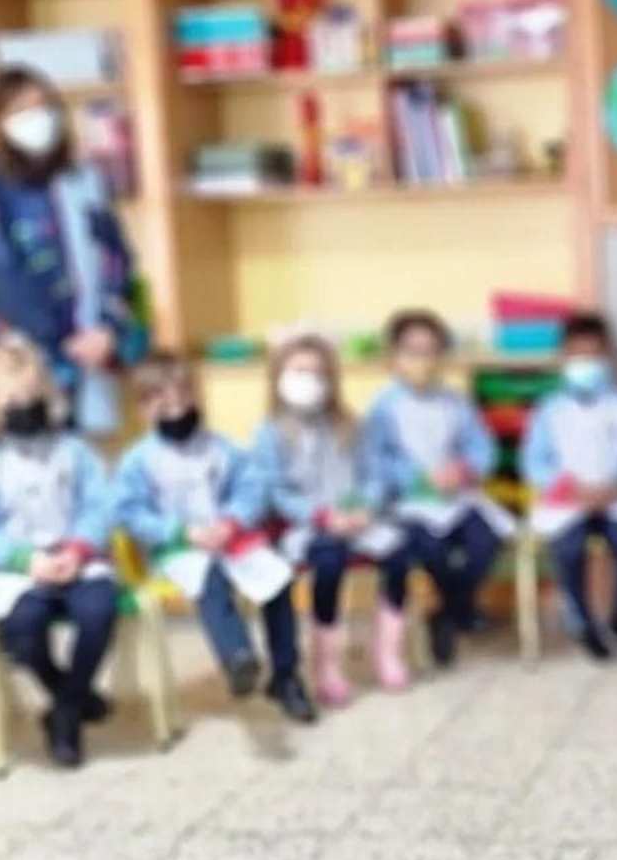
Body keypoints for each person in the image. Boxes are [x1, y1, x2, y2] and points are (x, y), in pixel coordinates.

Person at [114, 352, 316, 723]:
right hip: (178, 549)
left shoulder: (222, 447)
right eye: (162, 404)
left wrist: (231, 521)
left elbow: (251, 488)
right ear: (143, 409)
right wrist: (180, 531)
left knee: (278, 579)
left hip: (229, 539)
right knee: (211, 579)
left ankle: (286, 675)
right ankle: (238, 657)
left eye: (182, 398)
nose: (176, 410)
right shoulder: (137, 460)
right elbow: (130, 512)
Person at [0, 336, 119, 768]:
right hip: (15, 569)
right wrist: (26, 560)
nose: (25, 407)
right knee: (23, 629)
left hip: (77, 559)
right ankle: (73, 695)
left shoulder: (75, 451)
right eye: (11, 400)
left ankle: (64, 714)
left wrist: (78, 549)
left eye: (32, 396)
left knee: (99, 612)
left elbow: (99, 506)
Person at [0, 66, 143, 437]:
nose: (36, 118)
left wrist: (107, 327)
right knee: (25, 444)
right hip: (27, 347)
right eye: (20, 110)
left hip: (92, 346)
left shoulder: (83, 176)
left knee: (80, 454)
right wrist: (59, 338)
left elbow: (116, 256)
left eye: (42, 105)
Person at [249, 331, 410, 704]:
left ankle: (386, 651)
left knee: (401, 552)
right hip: (307, 526)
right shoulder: (270, 432)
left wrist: (365, 507)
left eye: (318, 372)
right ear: (279, 376)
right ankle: (327, 664)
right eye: (299, 371)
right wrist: (319, 516)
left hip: (357, 519)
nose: (310, 380)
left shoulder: (350, 424)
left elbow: (374, 475)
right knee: (329, 561)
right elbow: (274, 490)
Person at [360, 310, 510, 668]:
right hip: (407, 501)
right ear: (394, 356)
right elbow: (374, 461)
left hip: (458, 496)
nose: (422, 360)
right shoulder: (383, 407)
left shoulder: (455, 402)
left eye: (430, 351)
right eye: (412, 351)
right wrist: (417, 478)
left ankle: (449, 613)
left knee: (485, 541)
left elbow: (481, 446)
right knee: (431, 549)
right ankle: (460, 612)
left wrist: (466, 469)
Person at [520, 311, 617, 660]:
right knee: (569, 548)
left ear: (608, 357)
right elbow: (534, 462)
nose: (586, 363)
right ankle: (582, 622)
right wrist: (572, 489)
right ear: (563, 358)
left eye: (594, 354)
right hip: (568, 500)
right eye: (577, 355)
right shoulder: (549, 410)